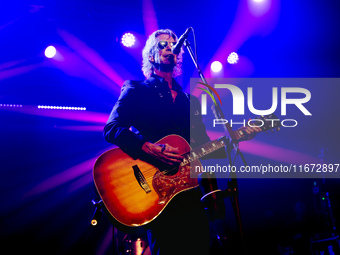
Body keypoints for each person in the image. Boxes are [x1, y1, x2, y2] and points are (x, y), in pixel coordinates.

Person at [103, 28, 259, 255]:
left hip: (190, 195)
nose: (169, 47)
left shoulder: (190, 101)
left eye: (173, 44)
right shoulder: (136, 89)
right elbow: (112, 128)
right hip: (157, 196)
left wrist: (237, 136)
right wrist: (147, 147)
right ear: (150, 56)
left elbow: (202, 147)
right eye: (163, 44)